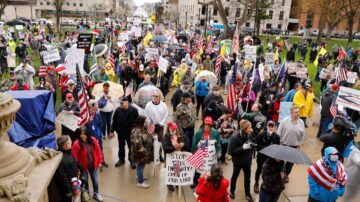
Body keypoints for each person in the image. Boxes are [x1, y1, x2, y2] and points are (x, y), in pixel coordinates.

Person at [71, 127, 104, 202]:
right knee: (85, 182)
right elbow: (75, 158)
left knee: (95, 181)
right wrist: (78, 168)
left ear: (87, 134)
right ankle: (86, 194)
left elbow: (98, 151)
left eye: (84, 134)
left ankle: (96, 194)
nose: (82, 136)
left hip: (93, 164)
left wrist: (100, 161)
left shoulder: (93, 140)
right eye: (80, 134)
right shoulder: (76, 144)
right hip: (83, 167)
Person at [228, 120, 255, 201]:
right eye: (250, 127)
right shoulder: (235, 137)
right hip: (238, 162)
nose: (251, 128)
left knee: (248, 178)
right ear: (245, 129)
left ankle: (248, 193)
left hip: (247, 161)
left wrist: (251, 147)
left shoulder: (249, 135)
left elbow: (251, 144)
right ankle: (232, 191)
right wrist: (242, 147)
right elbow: (231, 151)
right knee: (235, 176)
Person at [192, 116, 222, 187]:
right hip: (201, 153)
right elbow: (194, 142)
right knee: (199, 168)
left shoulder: (215, 132)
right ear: (203, 124)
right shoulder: (199, 132)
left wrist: (219, 151)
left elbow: (218, 143)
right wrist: (193, 152)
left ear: (211, 125)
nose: (207, 126)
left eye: (209, 125)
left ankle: (209, 181)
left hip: (211, 156)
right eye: (206, 124)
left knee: (210, 169)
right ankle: (195, 181)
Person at [277, 106, 305, 181]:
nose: (298, 114)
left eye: (298, 112)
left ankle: (286, 175)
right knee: (281, 162)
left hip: (294, 146)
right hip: (283, 145)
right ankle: (279, 174)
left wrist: (300, 144)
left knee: (290, 164)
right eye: (296, 112)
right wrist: (278, 144)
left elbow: (303, 135)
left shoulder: (301, 122)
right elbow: (278, 133)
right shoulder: (284, 121)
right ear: (291, 113)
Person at [111, 97, 139, 168]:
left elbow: (138, 122)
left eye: (122, 104)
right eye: (120, 104)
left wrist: (137, 131)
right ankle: (121, 159)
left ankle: (132, 160)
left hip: (130, 133)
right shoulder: (118, 110)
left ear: (127, 103)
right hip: (121, 132)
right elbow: (114, 121)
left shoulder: (134, 110)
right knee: (121, 146)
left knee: (131, 147)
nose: (121, 105)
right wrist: (112, 131)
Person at [253, 120, 280, 194]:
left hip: (270, 158)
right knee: (259, 170)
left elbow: (277, 147)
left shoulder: (276, 137)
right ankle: (256, 183)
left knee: (269, 171)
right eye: (269, 126)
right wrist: (267, 148)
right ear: (267, 126)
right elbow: (257, 146)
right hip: (261, 157)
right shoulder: (261, 135)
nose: (271, 128)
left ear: (274, 127)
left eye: (272, 126)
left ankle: (266, 183)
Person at [162, 122, 189, 191]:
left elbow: (188, 145)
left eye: (175, 129)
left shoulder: (181, 135)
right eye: (172, 129)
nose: (174, 130)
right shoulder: (166, 137)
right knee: (171, 172)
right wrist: (174, 147)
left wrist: (184, 145)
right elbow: (165, 149)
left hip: (179, 158)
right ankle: (170, 184)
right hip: (170, 159)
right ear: (169, 129)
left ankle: (177, 182)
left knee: (178, 171)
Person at [144, 90, 168, 162]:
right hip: (151, 126)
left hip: (160, 126)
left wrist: (161, 123)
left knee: (160, 141)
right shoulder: (148, 105)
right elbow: (146, 116)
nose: (154, 97)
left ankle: (160, 155)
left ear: (159, 97)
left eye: (156, 96)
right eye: (153, 96)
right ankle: (151, 156)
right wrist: (150, 124)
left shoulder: (163, 105)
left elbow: (165, 115)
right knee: (150, 141)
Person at [130, 116, 153, 189]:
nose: (147, 123)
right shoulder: (136, 131)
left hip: (144, 153)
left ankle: (139, 176)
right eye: (146, 121)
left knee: (141, 166)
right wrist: (145, 153)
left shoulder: (143, 128)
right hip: (140, 154)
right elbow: (137, 145)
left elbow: (147, 136)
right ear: (141, 122)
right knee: (140, 166)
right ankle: (140, 182)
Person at [55, 135, 79, 202]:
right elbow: (62, 176)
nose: (71, 143)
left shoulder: (68, 152)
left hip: (73, 184)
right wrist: (69, 190)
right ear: (66, 145)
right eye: (70, 142)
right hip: (68, 189)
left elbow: (73, 162)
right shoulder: (62, 159)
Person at [88, 100, 108, 168]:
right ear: (92, 106)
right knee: (91, 150)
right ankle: (93, 162)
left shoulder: (97, 114)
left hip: (98, 136)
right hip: (90, 137)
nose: (98, 105)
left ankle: (102, 161)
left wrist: (99, 133)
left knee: (100, 148)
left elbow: (100, 124)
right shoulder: (86, 116)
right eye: (96, 104)